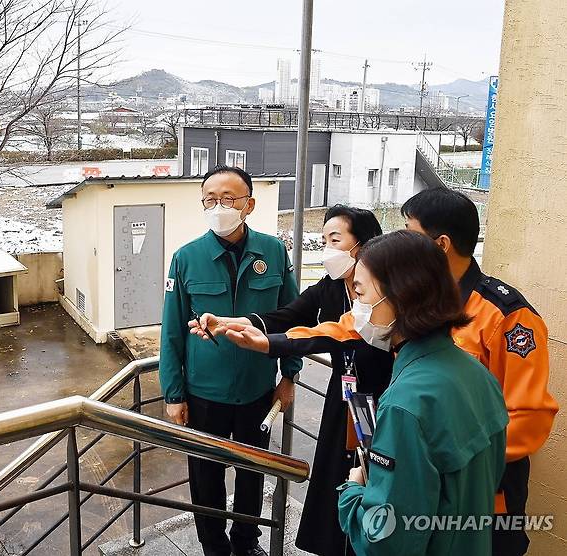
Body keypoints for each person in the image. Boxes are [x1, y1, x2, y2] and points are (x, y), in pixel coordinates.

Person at [215, 231, 510, 555]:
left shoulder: (405, 406)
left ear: (400, 296)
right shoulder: (477, 373)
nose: (356, 308)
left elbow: (382, 539)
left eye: (361, 292)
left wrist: (354, 488)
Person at [190, 205, 394, 556]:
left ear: (362, 246)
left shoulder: (389, 292)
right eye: (324, 239)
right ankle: (337, 544)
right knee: (339, 473)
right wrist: (235, 323)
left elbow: (320, 335)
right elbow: (289, 317)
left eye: (335, 239)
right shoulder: (332, 287)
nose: (327, 249)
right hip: (346, 396)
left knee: (379, 473)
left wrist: (270, 348)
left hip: (381, 395)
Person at [401, 187, 558, 556]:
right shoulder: (424, 300)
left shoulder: (507, 315)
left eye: (409, 233)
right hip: (429, 483)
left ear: (440, 244)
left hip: (488, 495)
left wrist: (453, 456)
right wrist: (275, 339)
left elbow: (529, 418)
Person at [159, 165, 302, 556]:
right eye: (210, 199)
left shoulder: (273, 251)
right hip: (204, 394)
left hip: (258, 390)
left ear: (249, 205)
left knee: (253, 472)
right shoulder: (186, 258)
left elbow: (292, 317)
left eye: (228, 198)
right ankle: (213, 545)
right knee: (206, 476)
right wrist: (173, 394)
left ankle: (246, 541)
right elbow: (171, 332)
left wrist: (289, 376)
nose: (218, 206)